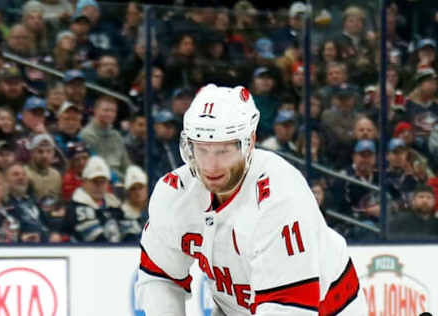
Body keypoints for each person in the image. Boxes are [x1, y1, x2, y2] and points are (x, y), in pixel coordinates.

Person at [136, 84, 366, 315]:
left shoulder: (281, 197)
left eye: (223, 150)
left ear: (250, 142)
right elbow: (159, 277)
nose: (210, 166)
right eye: (202, 149)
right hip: (235, 308)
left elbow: (287, 308)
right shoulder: (174, 193)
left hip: (326, 309)